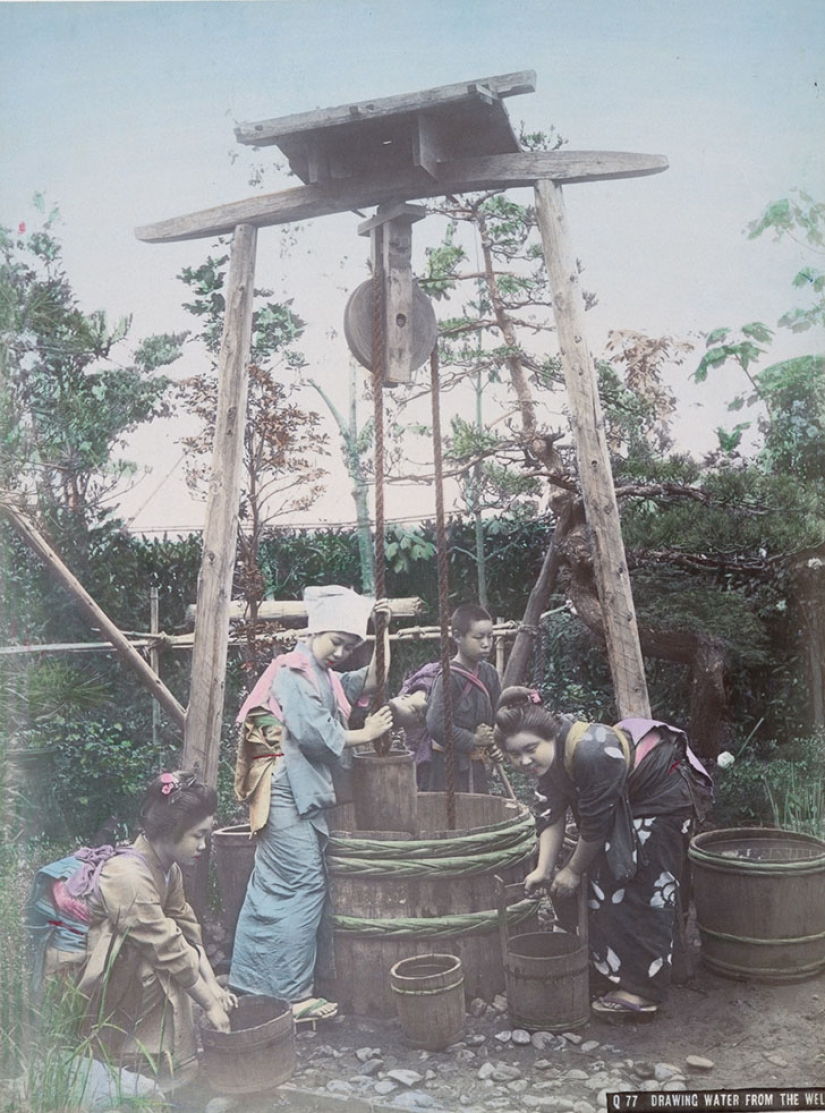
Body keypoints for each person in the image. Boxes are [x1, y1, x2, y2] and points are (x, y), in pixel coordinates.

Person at [493, 688, 713, 1018]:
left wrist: (572, 870)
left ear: (548, 736)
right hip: (627, 800)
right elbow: (551, 814)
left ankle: (643, 991)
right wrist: (544, 869)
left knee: (644, 886)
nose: (524, 761)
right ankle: (611, 967)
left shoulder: (591, 752)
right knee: (600, 880)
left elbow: (595, 827)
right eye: (514, 755)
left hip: (663, 792)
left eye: (530, 749)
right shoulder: (549, 761)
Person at [229, 585, 393, 1025]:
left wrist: (383, 633)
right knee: (301, 885)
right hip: (282, 788)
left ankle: (252, 982)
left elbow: (374, 680)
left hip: (292, 789)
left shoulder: (323, 674)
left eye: (349, 646)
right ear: (316, 630)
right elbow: (318, 737)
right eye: (336, 640)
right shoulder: (294, 671)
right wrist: (369, 733)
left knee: (272, 885)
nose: (340, 652)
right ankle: (292, 995)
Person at [32, 770, 236, 1088]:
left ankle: (157, 1059)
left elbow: (188, 930)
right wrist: (209, 1005)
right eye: (198, 835)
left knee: (176, 946)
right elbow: (167, 947)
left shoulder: (168, 870)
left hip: (115, 967)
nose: (204, 845)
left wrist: (214, 986)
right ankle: (120, 1056)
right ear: (171, 831)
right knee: (158, 962)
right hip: (77, 979)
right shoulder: (128, 875)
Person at [424, 603, 502, 793]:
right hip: (447, 768)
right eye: (478, 637)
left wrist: (496, 742)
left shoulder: (489, 673)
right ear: (458, 637)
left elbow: (498, 714)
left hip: (476, 765)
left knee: (480, 816)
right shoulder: (448, 678)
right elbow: (436, 725)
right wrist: (473, 739)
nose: (486, 643)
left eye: (490, 637)